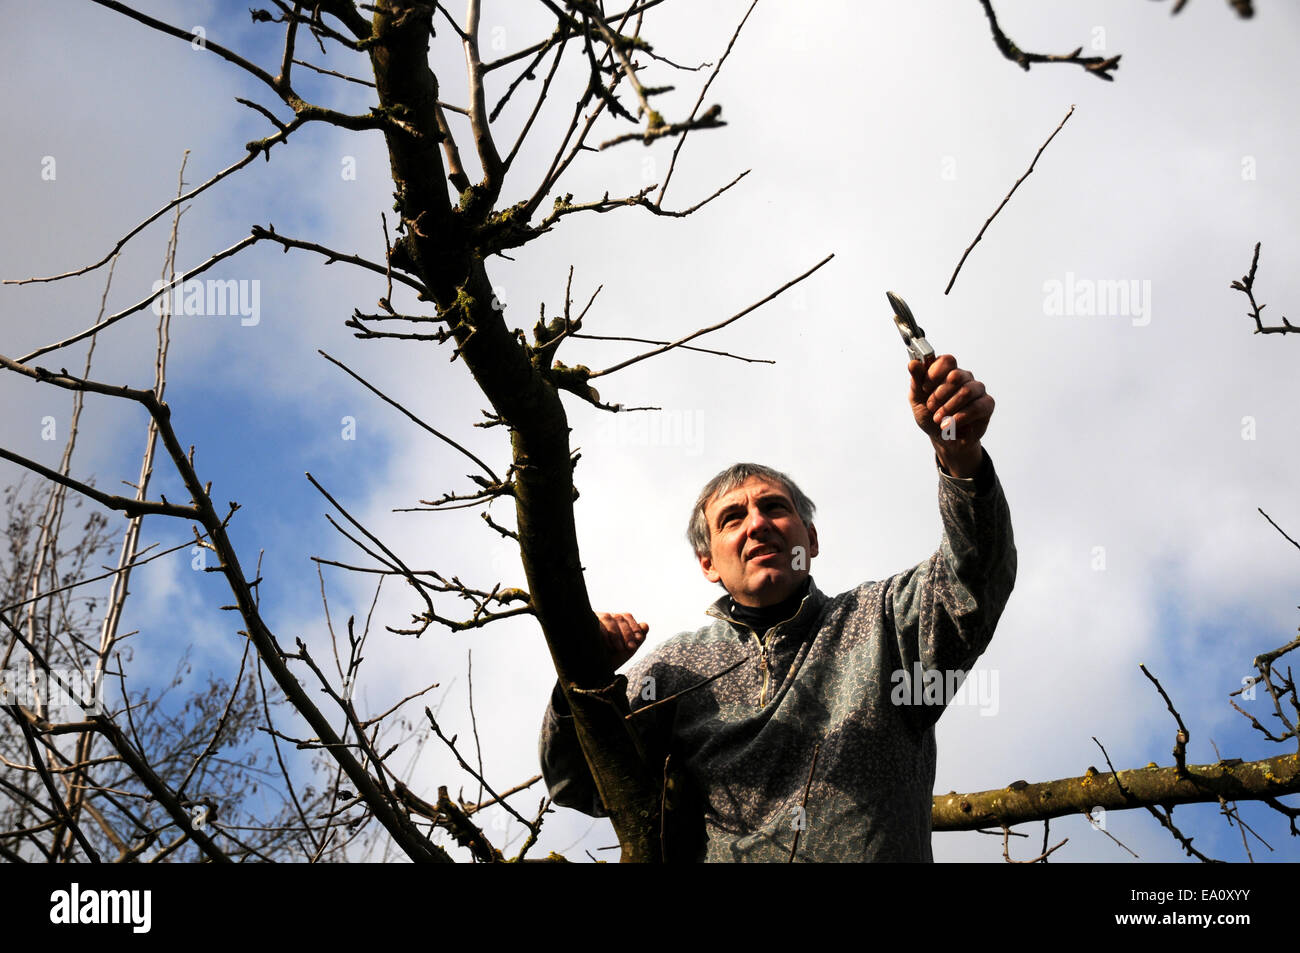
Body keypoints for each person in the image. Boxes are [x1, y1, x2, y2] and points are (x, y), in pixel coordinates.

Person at [538, 354, 1016, 861]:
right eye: (731, 519)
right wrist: (583, 684)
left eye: (774, 507)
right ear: (708, 564)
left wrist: (961, 460)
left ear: (810, 539)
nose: (756, 524)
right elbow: (578, 782)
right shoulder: (674, 671)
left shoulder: (884, 624)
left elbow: (974, 580)